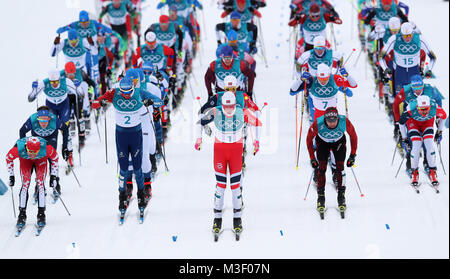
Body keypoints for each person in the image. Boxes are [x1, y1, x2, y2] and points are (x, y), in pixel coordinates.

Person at [91, 77, 163, 219]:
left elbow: (159, 101)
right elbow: (94, 104)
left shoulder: (139, 92)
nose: (126, 95)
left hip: (136, 135)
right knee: (123, 169)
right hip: (121, 136)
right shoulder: (114, 92)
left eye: (129, 92)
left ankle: (141, 195)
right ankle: (122, 196)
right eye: (123, 92)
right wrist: (101, 102)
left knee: (138, 167)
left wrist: (150, 102)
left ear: (132, 88)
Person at [195, 91, 262, 238]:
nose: (229, 109)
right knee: (220, 186)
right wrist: (198, 139)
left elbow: (256, 121)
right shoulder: (216, 111)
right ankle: (217, 219)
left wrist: (256, 141)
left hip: (236, 150)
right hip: (220, 150)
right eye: (226, 106)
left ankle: (237, 218)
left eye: (231, 106)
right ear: (222, 105)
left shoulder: (241, 111)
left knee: (235, 186)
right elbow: (200, 120)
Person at [306, 107, 358, 216]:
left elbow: (353, 135)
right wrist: (312, 158)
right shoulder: (318, 123)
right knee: (322, 169)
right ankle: (320, 197)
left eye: (334, 121)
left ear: (338, 119)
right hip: (322, 143)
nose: (332, 124)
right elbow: (308, 139)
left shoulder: (344, 121)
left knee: (340, 168)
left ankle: (341, 196)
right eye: (329, 122)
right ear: (325, 120)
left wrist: (353, 155)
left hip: (338, 142)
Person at [6, 136, 60, 230]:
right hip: (25, 161)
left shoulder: (47, 148)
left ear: (39, 149)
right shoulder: (18, 148)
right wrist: (11, 175)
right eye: (30, 151)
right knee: (25, 185)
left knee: (41, 185)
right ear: (26, 147)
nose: (32, 155)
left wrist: (53, 176)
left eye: (35, 152)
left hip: (41, 160)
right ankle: (22, 215)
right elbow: (8, 158)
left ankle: (41, 214)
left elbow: (55, 158)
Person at [19, 106, 71, 200]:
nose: (44, 123)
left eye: (46, 120)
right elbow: (22, 131)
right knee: (38, 160)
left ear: (49, 117)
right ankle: (38, 185)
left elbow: (65, 129)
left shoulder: (55, 120)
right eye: (41, 121)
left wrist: (64, 147)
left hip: (51, 138)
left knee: (52, 159)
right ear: (37, 118)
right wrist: (25, 146)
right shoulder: (32, 119)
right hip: (37, 139)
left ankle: (55, 182)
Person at [399, 95, 447, 186]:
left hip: (427, 123)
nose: (424, 112)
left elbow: (444, 116)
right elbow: (401, 123)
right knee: (416, 146)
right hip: (413, 123)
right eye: (422, 109)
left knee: (429, 145)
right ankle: (414, 173)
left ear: (429, 106)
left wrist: (439, 132)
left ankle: (432, 171)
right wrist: (404, 139)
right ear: (417, 107)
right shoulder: (411, 109)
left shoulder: (434, 107)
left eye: (426, 109)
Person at [379, 22, 436, 95]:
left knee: (416, 97)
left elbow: (433, 57)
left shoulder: (419, 39)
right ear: (401, 34)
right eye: (405, 36)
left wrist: (429, 70)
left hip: (414, 72)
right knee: (399, 97)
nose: (407, 38)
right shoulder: (394, 39)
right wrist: (386, 69)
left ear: (413, 33)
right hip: (400, 72)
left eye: (409, 35)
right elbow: (381, 56)